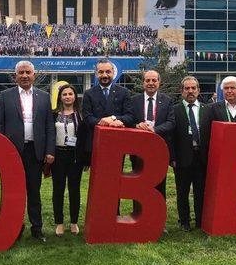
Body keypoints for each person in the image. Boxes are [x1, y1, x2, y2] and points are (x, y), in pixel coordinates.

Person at [0, 61, 55, 242]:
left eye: (28, 72)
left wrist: (49, 151)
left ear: (33, 75)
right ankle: (15, 228)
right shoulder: (5, 96)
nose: (24, 75)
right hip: (12, 152)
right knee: (13, 192)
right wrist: (2, 152)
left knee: (34, 192)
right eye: (21, 72)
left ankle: (36, 229)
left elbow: (49, 127)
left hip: (35, 151)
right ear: (16, 76)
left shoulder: (44, 97)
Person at [130, 70, 175, 201]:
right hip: (138, 150)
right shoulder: (133, 101)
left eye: (154, 80)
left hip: (159, 149)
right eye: (147, 80)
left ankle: (157, 218)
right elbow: (128, 121)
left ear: (159, 82)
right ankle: (138, 216)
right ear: (143, 83)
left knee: (159, 185)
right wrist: (137, 125)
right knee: (137, 184)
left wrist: (154, 130)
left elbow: (171, 123)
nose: (151, 83)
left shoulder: (167, 101)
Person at [172, 76, 209, 231]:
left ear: (198, 90)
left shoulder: (208, 110)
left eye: (193, 88)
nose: (190, 91)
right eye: (187, 88)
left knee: (201, 191)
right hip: (182, 158)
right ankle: (184, 221)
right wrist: (172, 157)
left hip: (202, 157)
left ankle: (200, 220)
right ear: (182, 92)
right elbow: (171, 136)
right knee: (182, 191)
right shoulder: (174, 110)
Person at [51, 84, 86, 237]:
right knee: (58, 190)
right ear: (60, 97)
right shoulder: (53, 115)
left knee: (74, 189)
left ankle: (73, 222)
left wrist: (85, 159)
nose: (67, 97)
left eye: (70, 94)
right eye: (64, 94)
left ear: (75, 96)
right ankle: (59, 223)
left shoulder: (81, 115)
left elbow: (85, 138)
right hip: (58, 155)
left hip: (75, 157)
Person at [81, 59, 133, 162]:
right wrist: (102, 122)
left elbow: (129, 117)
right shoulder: (88, 94)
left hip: (117, 143)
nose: (104, 75)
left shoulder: (124, 92)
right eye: (101, 72)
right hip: (96, 142)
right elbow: (87, 118)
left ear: (113, 72)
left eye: (108, 72)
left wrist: (113, 118)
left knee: (116, 177)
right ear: (96, 74)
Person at [201, 76, 236, 146]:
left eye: (232, 88)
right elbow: (207, 133)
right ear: (222, 91)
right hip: (222, 150)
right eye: (226, 88)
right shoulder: (212, 108)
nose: (229, 91)